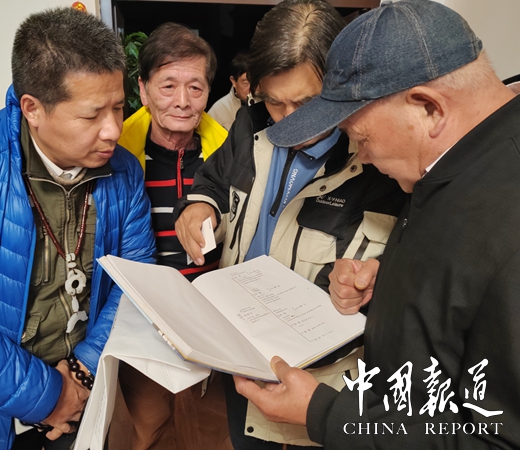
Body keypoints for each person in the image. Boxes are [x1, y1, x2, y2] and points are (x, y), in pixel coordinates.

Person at [235, 0, 520, 448]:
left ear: (428, 108)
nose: (362, 157)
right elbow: (464, 292)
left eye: (362, 138)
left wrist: (324, 414)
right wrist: (388, 280)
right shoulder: (450, 169)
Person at [0, 7, 156, 450]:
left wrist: (82, 371)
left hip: (87, 387)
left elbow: (135, 279)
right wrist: (48, 396)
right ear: (33, 108)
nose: (113, 130)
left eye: (118, 108)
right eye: (92, 115)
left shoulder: (123, 171)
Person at [174, 0, 407, 448]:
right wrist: (200, 207)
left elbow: (405, 270)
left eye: (306, 102)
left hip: (322, 379)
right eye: (275, 101)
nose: (289, 119)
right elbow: (214, 181)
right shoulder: (250, 125)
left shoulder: (377, 162)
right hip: (240, 351)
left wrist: (366, 284)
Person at [112, 22, 230, 450]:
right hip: (142, 321)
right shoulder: (115, 155)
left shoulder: (228, 155)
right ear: (143, 90)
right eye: (168, 86)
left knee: (217, 430)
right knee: (147, 429)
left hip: (216, 322)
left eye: (195, 87)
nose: (182, 101)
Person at [208, 51, 251, 130]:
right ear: (233, 81)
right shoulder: (218, 110)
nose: (252, 89)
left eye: (256, 82)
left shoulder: (266, 104)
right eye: (246, 83)